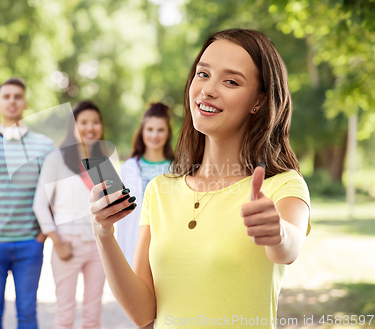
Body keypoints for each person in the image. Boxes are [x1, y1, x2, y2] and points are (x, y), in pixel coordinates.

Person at [89, 29, 311, 329]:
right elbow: (143, 313)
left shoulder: (281, 185)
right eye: (202, 74)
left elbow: (290, 247)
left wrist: (278, 232)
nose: (207, 89)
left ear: (258, 100)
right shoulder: (160, 190)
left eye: (231, 81)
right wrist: (104, 234)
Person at [0, 77, 54, 329]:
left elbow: (52, 195)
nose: (12, 101)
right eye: (6, 96)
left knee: (27, 313)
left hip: (30, 244)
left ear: (25, 103)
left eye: (17, 96)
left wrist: (40, 236)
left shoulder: (44, 145)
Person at [33, 100, 111, 329]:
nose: (90, 127)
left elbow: (109, 206)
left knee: (92, 315)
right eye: (83, 122)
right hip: (67, 244)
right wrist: (57, 242)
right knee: (65, 316)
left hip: (98, 248)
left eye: (95, 122)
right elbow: (40, 205)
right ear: (73, 126)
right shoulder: (56, 159)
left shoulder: (103, 162)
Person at [117, 102, 175, 267]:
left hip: (166, 243)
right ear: (142, 131)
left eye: (160, 130)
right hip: (133, 240)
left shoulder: (177, 168)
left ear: (168, 133)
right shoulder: (129, 167)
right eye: (150, 129)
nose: (155, 135)